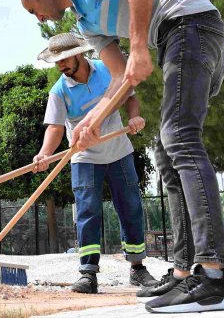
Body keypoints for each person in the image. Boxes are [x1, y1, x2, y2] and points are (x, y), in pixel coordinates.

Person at [20, 0, 224, 313]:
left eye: (34, 10)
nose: (40, 18)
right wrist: (92, 123)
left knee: (180, 138)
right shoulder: (87, 26)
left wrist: (139, 46)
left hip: (191, 23)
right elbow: (120, 78)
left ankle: (215, 278)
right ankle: (185, 270)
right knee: (167, 155)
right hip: (173, 35)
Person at [32, 32, 157, 294]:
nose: (61, 66)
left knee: (131, 207)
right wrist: (44, 153)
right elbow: (55, 128)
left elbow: (130, 97)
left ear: (78, 54)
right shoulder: (59, 91)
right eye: (57, 61)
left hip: (119, 151)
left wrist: (134, 118)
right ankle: (88, 273)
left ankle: (137, 268)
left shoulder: (107, 69)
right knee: (88, 212)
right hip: (84, 157)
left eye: (64, 59)